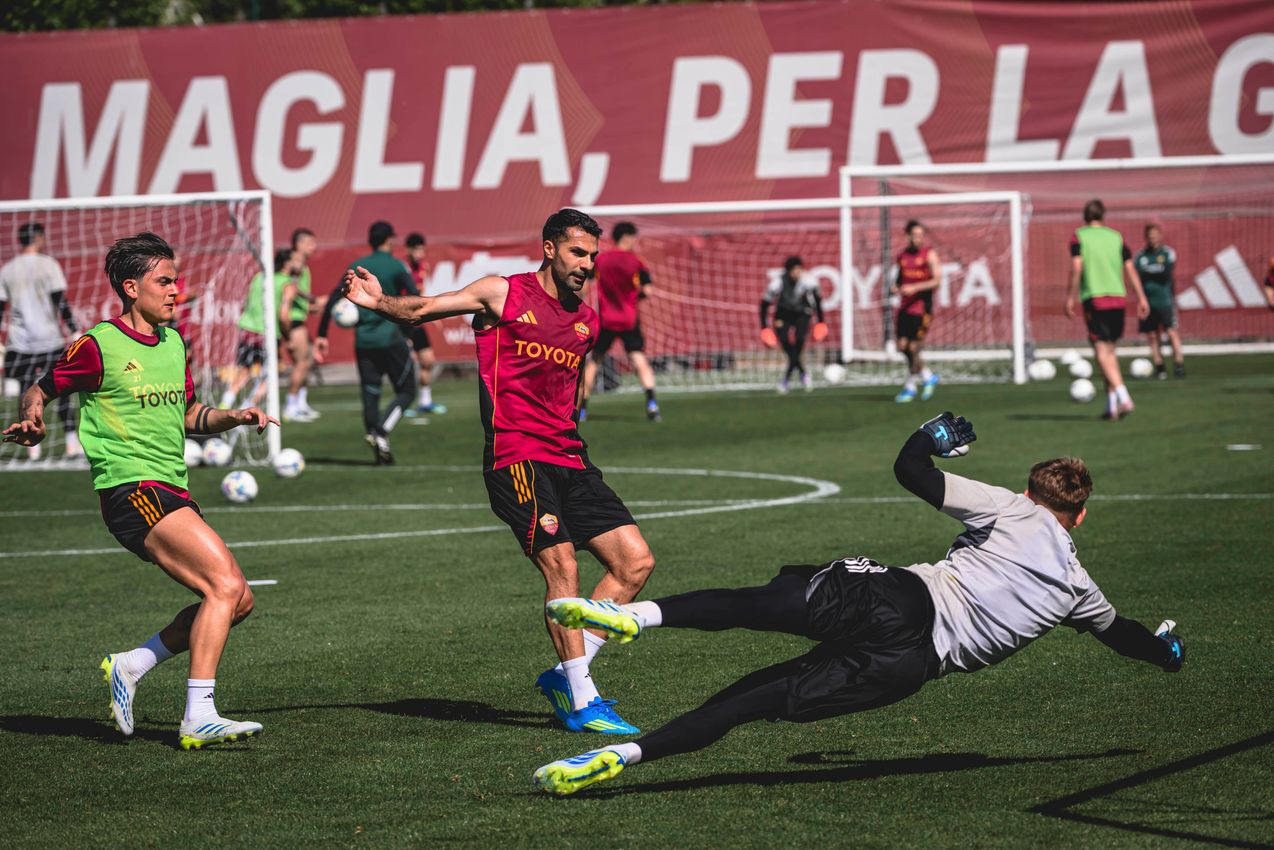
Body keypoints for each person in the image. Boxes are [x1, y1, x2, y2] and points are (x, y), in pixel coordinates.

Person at [530, 411, 1186, 795]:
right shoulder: (1080, 589)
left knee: (765, 601)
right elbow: (1125, 635)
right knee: (747, 701)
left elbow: (911, 471)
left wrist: (934, 433)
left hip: (901, 599)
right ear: (1081, 516)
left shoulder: (1012, 509)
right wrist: (1168, 655)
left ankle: (633, 616)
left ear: (1032, 491)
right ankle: (623, 759)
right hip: (909, 669)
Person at [340, 208, 656, 734]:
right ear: (550, 248)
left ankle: (564, 673)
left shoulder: (587, 322)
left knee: (635, 564)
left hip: (571, 458)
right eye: (579, 253)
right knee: (563, 569)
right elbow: (424, 309)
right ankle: (583, 699)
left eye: (593, 257)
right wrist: (378, 303)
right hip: (517, 457)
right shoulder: (501, 293)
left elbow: (568, 395)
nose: (587, 265)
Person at [2, 232, 277, 750]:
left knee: (238, 600)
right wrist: (32, 417)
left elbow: (192, 414)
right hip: (130, 489)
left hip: (172, 487)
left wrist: (233, 417)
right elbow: (41, 387)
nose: (177, 290)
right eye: (165, 281)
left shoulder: (174, 343)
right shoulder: (98, 345)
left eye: (176, 280)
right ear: (131, 288)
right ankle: (199, 715)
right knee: (224, 584)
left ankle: (132, 664)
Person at [313, 221, 417, 465]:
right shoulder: (396, 265)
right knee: (407, 391)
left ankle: (378, 447)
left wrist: (321, 334)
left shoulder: (357, 266)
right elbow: (413, 297)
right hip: (391, 338)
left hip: (364, 342)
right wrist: (410, 335)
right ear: (389, 240)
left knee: (371, 392)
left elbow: (333, 298)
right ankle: (380, 432)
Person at [0, 222, 79, 459]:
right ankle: (71, 443)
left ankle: (33, 447)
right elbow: (60, 301)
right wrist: (74, 330)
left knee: (27, 393)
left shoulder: (8, 269)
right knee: (62, 390)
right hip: (49, 340)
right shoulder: (49, 265)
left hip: (20, 342)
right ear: (39, 238)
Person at [1065, 200, 1150, 420]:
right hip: (1118, 299)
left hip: (1095, 297)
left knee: (1102, 352)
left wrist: (1070, 297)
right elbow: (1130, 269)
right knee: (1109, 352)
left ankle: (1124, 397)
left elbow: (1076, 267)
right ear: (1103, 216)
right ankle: (1111, 406)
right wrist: (1141, 298)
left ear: (1085, 217)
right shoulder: (1116, 237)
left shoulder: (1079, 236)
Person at [581, 222, 660, 421]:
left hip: (606, 319)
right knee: (638, 359)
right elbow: (648, 291)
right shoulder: (636, 262)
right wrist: (635, 298)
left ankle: (581, 410)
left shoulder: (601, 260)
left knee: (594, 362)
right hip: (629, 319)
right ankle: (652, 404)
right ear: (628, 237)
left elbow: (584, 285)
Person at [219, 248, 299, 411]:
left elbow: (248, 302)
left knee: (244, 371)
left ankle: (225, 403)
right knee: (271, 373)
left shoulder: (259, 277)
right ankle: (249, 405)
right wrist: (289, 337)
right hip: (267, 333)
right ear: (288, 263)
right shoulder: (287, 285)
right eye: (296, 260)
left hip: (247, 328)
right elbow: (284, 315)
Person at [890, 221, 942, 403]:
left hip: (922, 309)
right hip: (904, 308)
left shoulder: (929, 254)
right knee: (902, 347)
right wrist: (895, 288)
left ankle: (910, 387)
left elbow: (937, 281)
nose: (918, 238)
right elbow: (897, 281)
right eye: (915, 235)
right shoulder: (902, 256)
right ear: (908, 236)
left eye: (921, 235)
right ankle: (927, 376)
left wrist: (915, 287)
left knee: (914, 347)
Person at [759, 255, 827, 393]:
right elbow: (764, 305)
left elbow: (818, 301)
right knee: (784, 341)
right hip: (783, 314)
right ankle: (803, 373)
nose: (797, 273)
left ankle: (786, 379)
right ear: (788, 271)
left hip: (802, 313)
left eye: (799, 270)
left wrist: (821, 322)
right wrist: (764, 327)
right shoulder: (777, 283)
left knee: (800, 340)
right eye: (794, 270)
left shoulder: (809, 281)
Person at [402, 232, 447, 417]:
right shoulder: (402, 268)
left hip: (417, 321)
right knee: (403, 365)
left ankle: (425, 401)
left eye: (422, 249)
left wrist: (432, 315)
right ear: (409, 250)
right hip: (403, 322)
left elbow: (420, 294)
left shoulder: (423, 267)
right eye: (416, 249)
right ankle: (401, 403)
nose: (420, 253)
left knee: (428, 361)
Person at [1134, 225, 1184, 380]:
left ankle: (1178, 364)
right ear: (1146, 237)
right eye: (1150, 235)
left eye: (1155, 235)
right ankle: (1159, 366)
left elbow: (1165, 272)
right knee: (1152, 335)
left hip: (1165, 300)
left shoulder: (1168, 253)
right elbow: (1137, 275)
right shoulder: (1141, 256)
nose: (1153, 238)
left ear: (1160, 236)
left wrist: (1149, 271)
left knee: (1171, 332)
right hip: (1148, 302)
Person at [283, 227, 322, 421]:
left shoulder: (302, 263)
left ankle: (301, 403)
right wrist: (312, 299)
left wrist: (310, 306)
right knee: (301, 363)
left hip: (299, 316)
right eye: (310, 243)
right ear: (299, 244)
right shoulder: (296, 262)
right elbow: (291, 287)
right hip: (293, 319)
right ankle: (290, 406)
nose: (313, 247)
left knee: (307, 361)